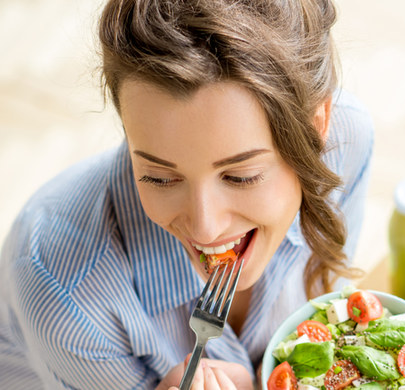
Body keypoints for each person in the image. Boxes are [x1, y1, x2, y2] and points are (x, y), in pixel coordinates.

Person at [0, 0, 373, 388]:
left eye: (241, 176)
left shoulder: (346, 144)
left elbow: (328, 319)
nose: (205, 228)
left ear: (317, 129)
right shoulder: (64, 292)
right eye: (159, 177)